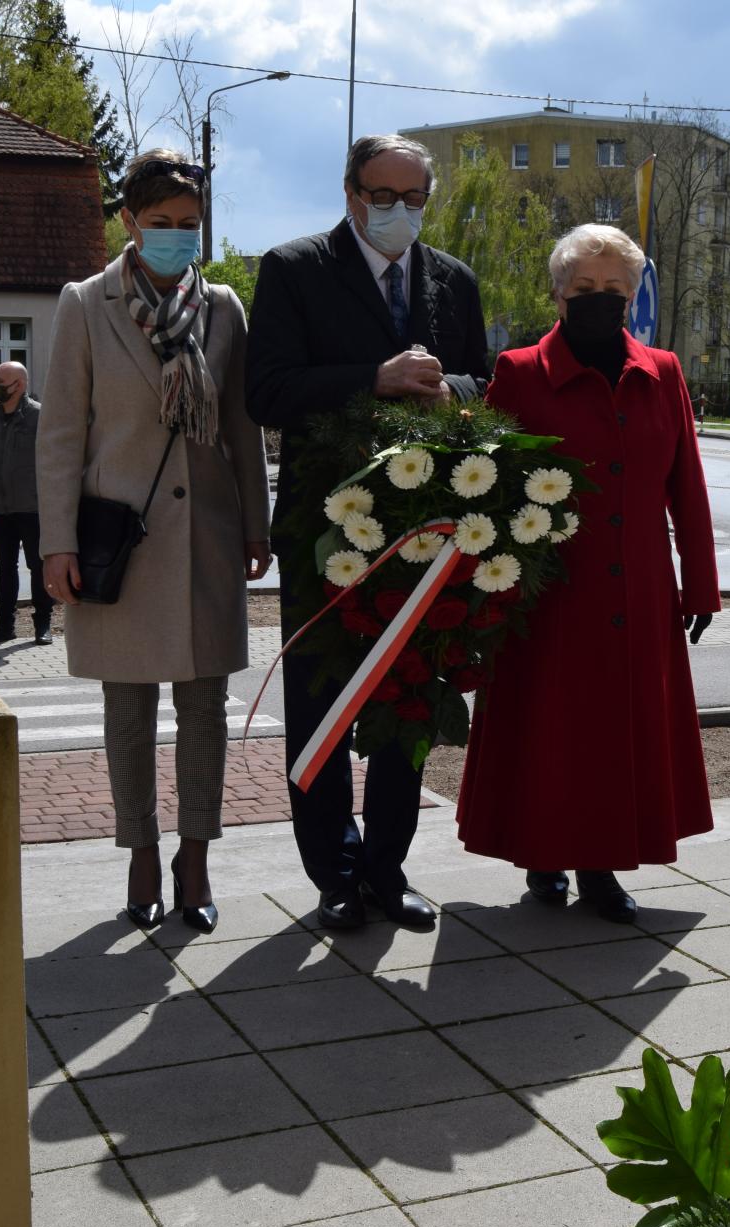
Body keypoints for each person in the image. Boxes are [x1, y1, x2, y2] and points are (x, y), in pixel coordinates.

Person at [246, 134, 489, 933]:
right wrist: (373, 379)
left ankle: (387, 867)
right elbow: (267, 392)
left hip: (424, 532)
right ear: (351, 193)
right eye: (382, 197)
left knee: (407, 704)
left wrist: (446, 389)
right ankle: (335, 875)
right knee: (321, 704)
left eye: (413, 199)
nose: (397, 212)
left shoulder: (453, 280)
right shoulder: (294, 268)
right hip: (326, 528)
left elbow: (482, 383)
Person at [36, 150, 273, 935]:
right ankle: (140, 850)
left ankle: (195, 855)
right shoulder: (86, 302)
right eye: (162, 224)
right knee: (128, 711)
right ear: (129, 222)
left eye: (190, 226)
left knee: (205, 709)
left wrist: (255, 524)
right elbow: (63, 432)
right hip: (120, 541)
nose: (177, 238)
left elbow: (241, 429)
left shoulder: (226, 308)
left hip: (206, 538)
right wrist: (57, 542)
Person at [455, 224, 720, 924]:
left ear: (634, 296)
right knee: (551, 730)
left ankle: (600, 869)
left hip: (638, 589)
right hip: (547, 591)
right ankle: (544, 853)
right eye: (585, 290)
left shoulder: (662, 372)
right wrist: (482, 587)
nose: (601, 301)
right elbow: (488, 488)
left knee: (617, 733)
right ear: (558, 294)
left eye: (615, 290)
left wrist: (701, 584)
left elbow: (686, 485)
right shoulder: (517, 372)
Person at [0, 360, 50, 645]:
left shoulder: (39, 417)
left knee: (38, 566)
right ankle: (4, 626)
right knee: (4, 568)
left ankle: (42, 624)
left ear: (18, 385)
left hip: (32, 508)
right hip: (0, 508)